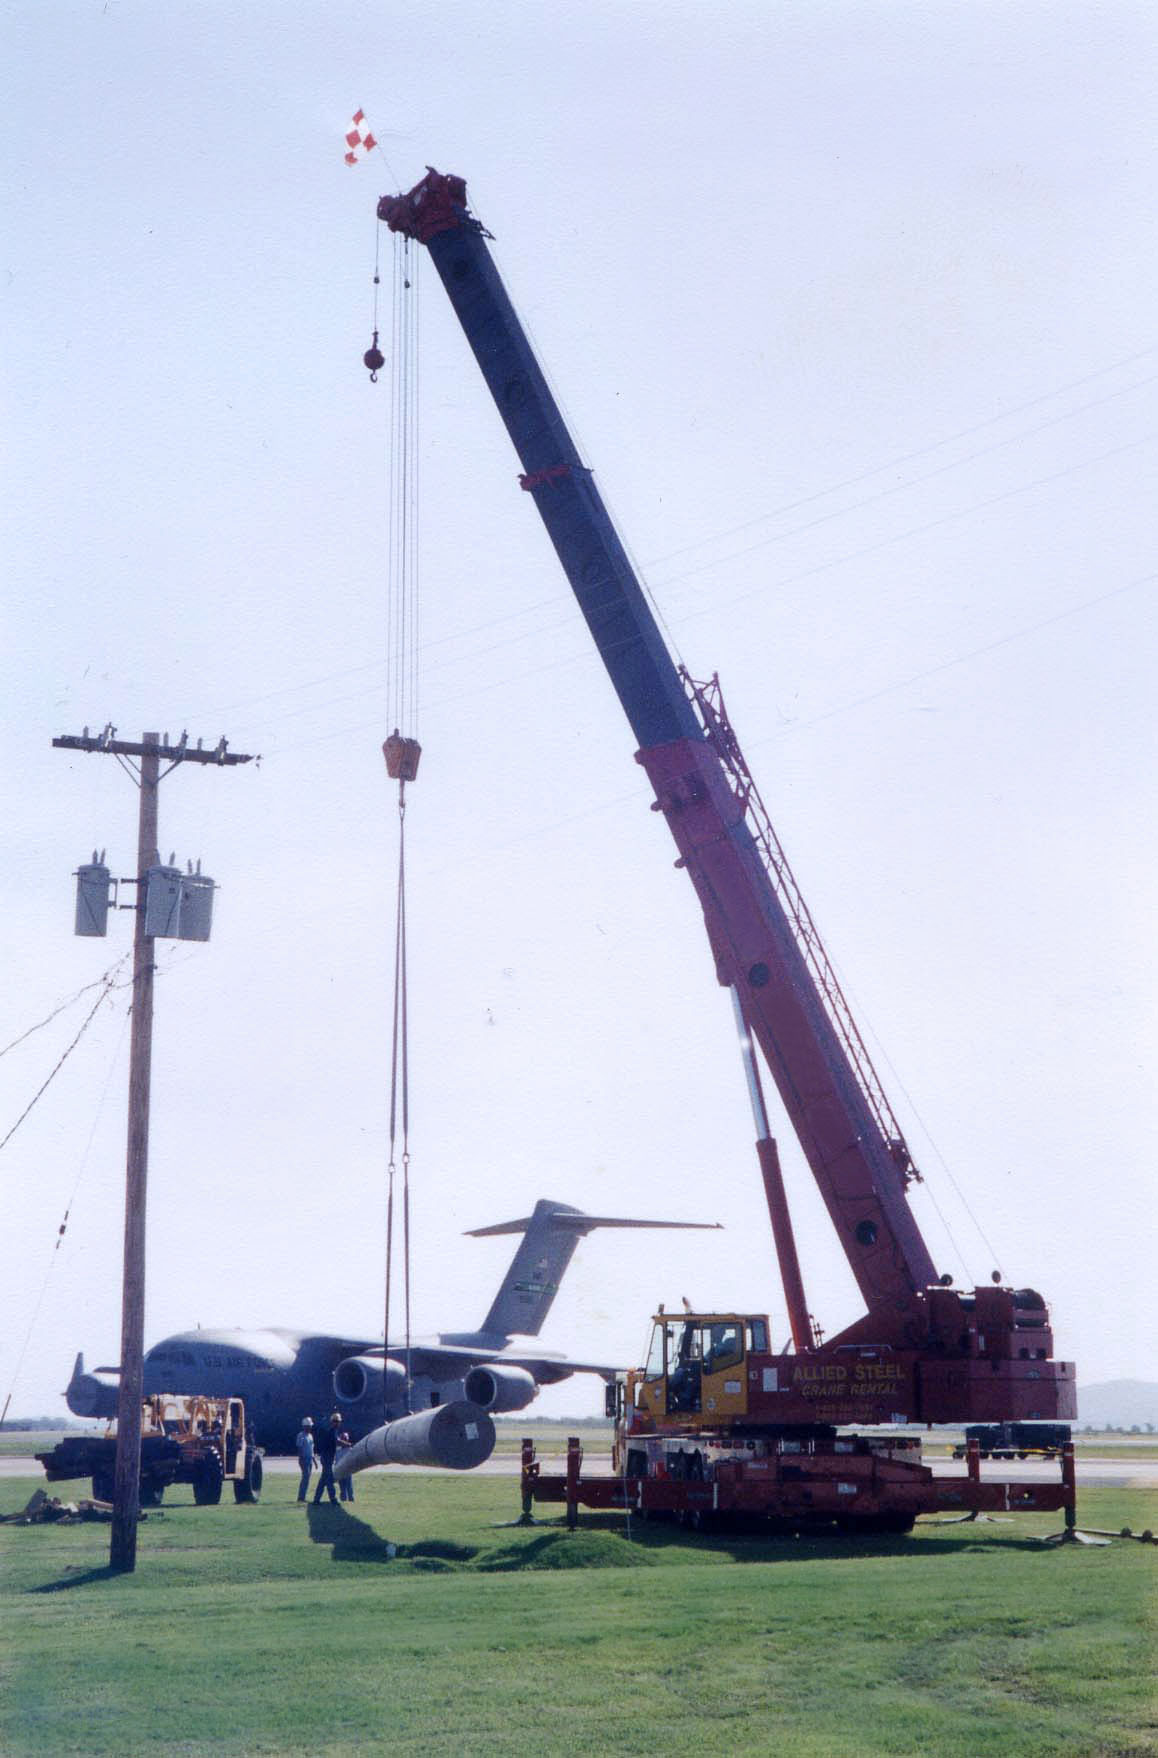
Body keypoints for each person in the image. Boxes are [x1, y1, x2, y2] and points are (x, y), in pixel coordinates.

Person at [312, 1411, 342, 1506]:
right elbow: (337, 1441)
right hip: (327, 1458)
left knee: (323, 1479)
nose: (338, 1423)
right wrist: (348, 1444)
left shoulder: (333, 1430)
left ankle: (316, 1500)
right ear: (332, 1422)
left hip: (327, 1458)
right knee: (329, 1480)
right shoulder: (332, 1431)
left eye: (338, 1421)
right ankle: (333, 1499)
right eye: (336, 1421)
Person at [295, 1416, 315, 1503]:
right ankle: (301, 1497)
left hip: (310, 1459)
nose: (310, 1427)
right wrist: (301, 1459)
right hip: (304, 1459)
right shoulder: (300, 1435)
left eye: (310, 1426)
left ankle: (303, 1496)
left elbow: (311, 1448)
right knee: (305, 1477)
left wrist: (314, 1461)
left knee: (307, 1478)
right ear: (305, 1426)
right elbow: (299, 1448)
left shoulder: (310, 1436)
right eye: (309, 1426)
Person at [337, 1427, 355, 1502]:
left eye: (346, 1438)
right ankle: (343, 1499)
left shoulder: (351, 1450)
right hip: (341, 1470)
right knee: (342, 1487)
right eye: (343, 1439)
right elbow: (336, 1461)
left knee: (349, 1486)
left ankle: (351, 1499)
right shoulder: (338, 1451)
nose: (345, 1440)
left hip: (348, 1470)